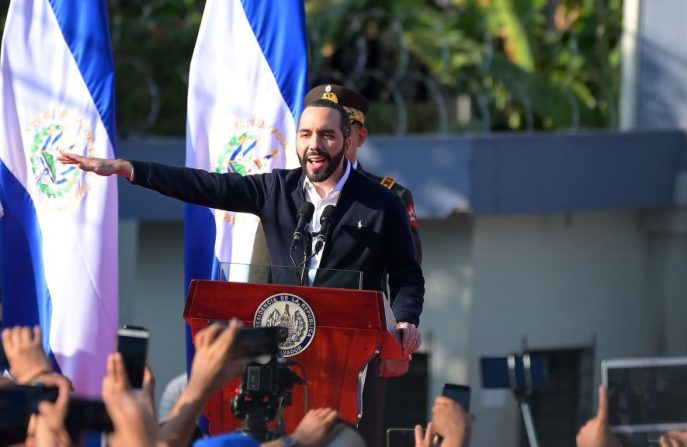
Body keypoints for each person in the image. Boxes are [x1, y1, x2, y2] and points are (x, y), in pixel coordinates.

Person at [59, 99, 424, 446]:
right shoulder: (276, 190)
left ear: (348, 141)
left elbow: (406, 274)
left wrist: (406, 319)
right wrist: (131, 169)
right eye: (305, 134)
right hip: (285, 355)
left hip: (345, 360)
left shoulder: (381, 203)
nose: (314, 145)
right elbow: (206, 185)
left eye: (327, 135)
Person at [303, 84, 423, 264]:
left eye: (334, 131)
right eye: (312, 132)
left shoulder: (390, 196)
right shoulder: (287, 189)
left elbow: (407, 269)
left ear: (360, 137)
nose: (320, 143)